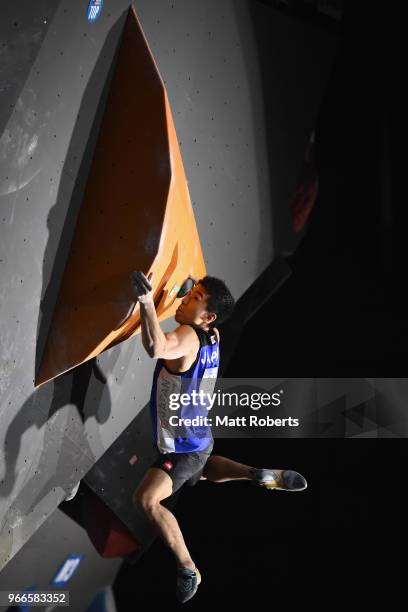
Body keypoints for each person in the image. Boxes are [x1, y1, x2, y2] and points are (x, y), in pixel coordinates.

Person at [130, 271, 308, 603]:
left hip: (182, 446)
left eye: (193, 298)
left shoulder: (188, 335)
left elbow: (156, 346)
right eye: (192, 294)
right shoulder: (213, 335)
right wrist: (192, 288)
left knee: (146, 500)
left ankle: (187, 567)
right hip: (200, 438)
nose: (185, 300)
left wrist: (145, 303)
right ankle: (254, 475)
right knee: (202, 471)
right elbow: (206, 304)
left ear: (208, 315)